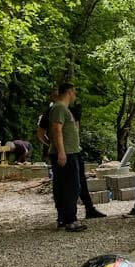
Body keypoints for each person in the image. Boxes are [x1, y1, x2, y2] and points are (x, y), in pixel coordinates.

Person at [48, 82, 86, 232]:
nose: (75, 95)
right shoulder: (59, 108)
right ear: (69, 92)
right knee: (71, 186)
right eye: (74, 92)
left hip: (70, 152)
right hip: (67, 154)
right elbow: (57, 130)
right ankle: (70, 219)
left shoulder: (63, 109)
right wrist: (62, 152)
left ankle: (64, 217)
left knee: (64, 186)